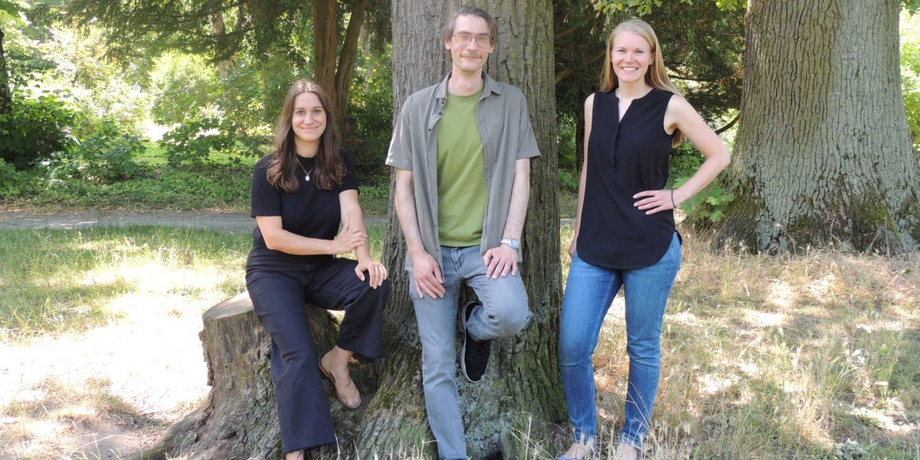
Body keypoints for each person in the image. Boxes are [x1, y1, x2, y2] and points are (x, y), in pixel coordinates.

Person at [557, 19, 731, 460]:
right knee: (573, 345)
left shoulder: (670, 105)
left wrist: (676, 196)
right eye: (621, 51)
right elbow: (588, 172)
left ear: (652, 56)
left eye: (638, 52)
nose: (629, 59)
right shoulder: (594, 103)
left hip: (649, 246)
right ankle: (584, 436)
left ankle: (631, 440)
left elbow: (720, 153)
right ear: (610, 56)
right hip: (595, 244)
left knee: (642, 347)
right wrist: (578, 230)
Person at [385, 6, 540, 460]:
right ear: (448, 43)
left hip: (485, 249)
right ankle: (455, 456)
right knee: (437, 366)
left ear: (491, 46)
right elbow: (403, 190)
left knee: (511, 315)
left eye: (481, 39)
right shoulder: (417, 107)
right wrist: (417, 253)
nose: (472, 45)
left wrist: (510, 240)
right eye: (463, 37)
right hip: (431, 255)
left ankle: (475, 328)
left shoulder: (511, 102)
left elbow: (521, 178)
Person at [245, 80, 390, 460]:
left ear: (327, 116)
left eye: (316, 111)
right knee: (296, 352)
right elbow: (274, 238)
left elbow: (352, 211)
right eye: (300, 112)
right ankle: (298, 450)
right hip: (274, 272)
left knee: (373, 285)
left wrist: (362, 258)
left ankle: (339, 361)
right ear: (289, 118)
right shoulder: (268, 169)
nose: (309, 119)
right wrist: (333, 246)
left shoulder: (338, 161)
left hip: (321, 269)